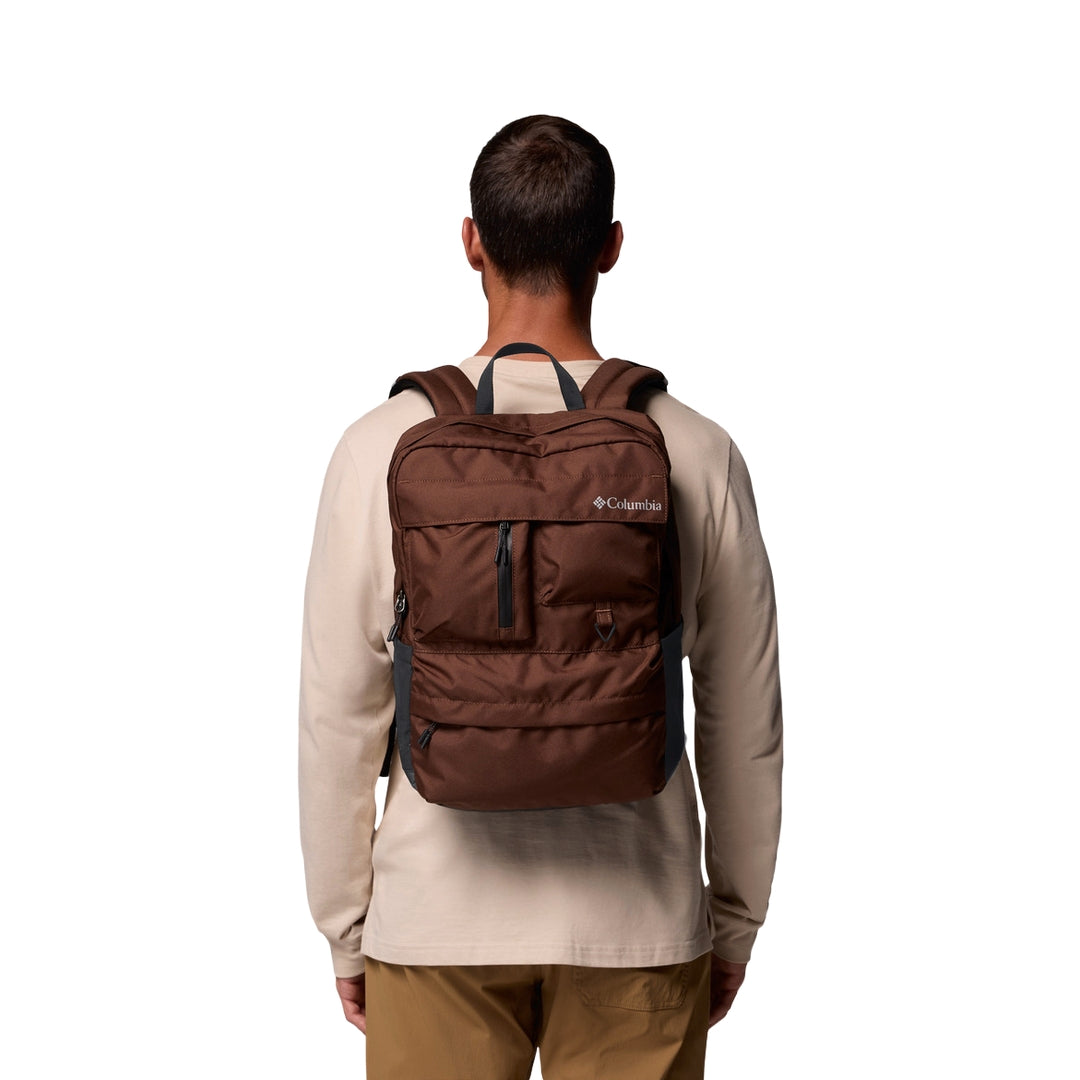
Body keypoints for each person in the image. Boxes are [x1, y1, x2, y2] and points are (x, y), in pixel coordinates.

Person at [299, 115, 783, 1079]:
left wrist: (347, 928)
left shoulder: (378, 447)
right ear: (610, 246)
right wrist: (734, 919)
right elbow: (743, 714)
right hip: (637, 921)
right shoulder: (696, 448)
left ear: (471, 241)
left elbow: (336, 714)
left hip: (433, 922)